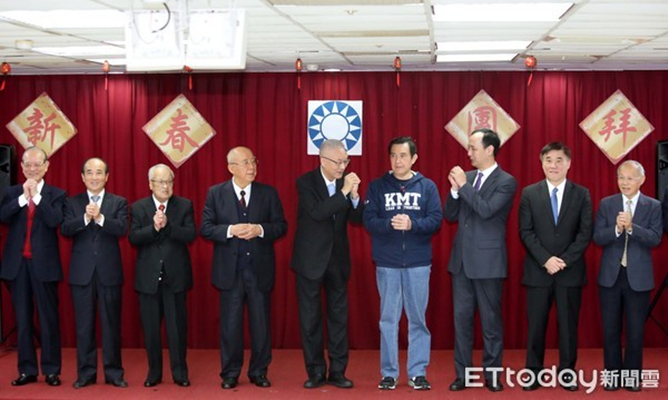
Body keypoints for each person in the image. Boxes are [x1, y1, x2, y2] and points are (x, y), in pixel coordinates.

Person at [201, 146, 287, 390]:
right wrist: (230, 230)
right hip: (229, 272)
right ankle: (230, 373)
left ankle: (259, 371)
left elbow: (281, 226)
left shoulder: (268, 193)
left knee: (261, 325)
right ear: (231, 168)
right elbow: (205, 228)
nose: (252, 167)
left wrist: (260, 229)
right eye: (246, 162)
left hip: (259, 270)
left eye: (253, 161)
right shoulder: (216, 193)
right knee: (230, 326)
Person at [363, 136, 442, 391]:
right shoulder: (377, 186)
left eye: (403, 155)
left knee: (418, 320)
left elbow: (436, 219)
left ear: (414, 158)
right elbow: (368, 220)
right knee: (388, 320)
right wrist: (389, 224)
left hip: (418, 263)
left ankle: (417, 372)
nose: (398, 161)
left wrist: (412, 225)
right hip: (387, 263)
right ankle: (389, 373)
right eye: (394, 155)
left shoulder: (427, 187)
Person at [443, 128, 517, 392]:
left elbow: (486, 211)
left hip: (488, 264)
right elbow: (450, 215)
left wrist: (463, 186)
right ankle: (462, 375)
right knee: (461, 323)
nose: (469, 153)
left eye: (473, 148)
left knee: (490, 324)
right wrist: (455, 192)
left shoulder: (506, 181)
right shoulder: (469, 178)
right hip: (461, 263)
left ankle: (493, 376)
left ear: (490, 150)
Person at [518, 143, 592, 391]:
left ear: (568, 163)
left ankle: (567, 373)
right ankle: (533, 373)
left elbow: (585, 233)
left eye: (559, 160)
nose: (553, 165)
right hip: (538, 271)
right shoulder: (529, 193)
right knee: (536, 327)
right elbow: (525, 231)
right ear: (542, 163)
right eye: (548, 160)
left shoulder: (582, 194)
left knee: (568, 328)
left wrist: (564, 261)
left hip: (570, 272)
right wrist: (546, 259)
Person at [291, 139, 362, 389]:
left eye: (345, 161)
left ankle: (338, 371)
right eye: (338, 162)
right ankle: (315, 372)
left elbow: (357, 219)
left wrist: (354, 197)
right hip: (310, 260)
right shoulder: (305, 182)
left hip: (338, 260)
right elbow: (318, 212)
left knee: (338, 319)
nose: (343, 167)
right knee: (310, 319)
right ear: (323, 160)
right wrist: (343, 193)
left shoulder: (346, 184)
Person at [593, 160, 662, 392]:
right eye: (621, 177)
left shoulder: (653, 206)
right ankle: (612, 377)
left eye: (630, 178)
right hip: (610, 277)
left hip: (638, 278)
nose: (624, 182)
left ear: (642, 180)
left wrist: (632, 228)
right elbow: (598, 237)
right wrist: (616, 229)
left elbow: (655, 238)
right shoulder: (607, 204)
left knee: (635, 332)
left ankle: (632, 378)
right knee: (610, 330)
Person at [0, 146, 65, 387]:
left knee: (48, 319)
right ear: (21, 167)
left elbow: (54, 220)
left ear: (46, 167)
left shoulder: (56, 194)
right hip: (17, 267)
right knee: (23, 320)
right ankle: (27, 370)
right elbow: (3, 216)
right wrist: (22, 198)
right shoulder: (11, 193)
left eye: (37, 164)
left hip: (44, 265)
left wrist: (36, 197)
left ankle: (51, 370)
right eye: (28, 164)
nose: (32, 169)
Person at [61, 158, 128, 389]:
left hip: (109, 272)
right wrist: (84, 218)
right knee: (84, 327)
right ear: (82, 177)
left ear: (106, 177)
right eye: (89, 172)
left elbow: (122, 229)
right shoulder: (72, 202)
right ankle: (86, 373)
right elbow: (65, 229)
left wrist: (100, 218)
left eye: (99, 172)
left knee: (111, 326)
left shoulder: (118, 202)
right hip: (81, 273)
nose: (94, 177)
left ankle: (114, 373)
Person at [129, 164, 196, 388]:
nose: (165, 186)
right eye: (160, 182)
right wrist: (154, 229)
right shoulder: (138, 207)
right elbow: (133, 238)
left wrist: (167, 226)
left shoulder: (184, 205)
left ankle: (180, 373)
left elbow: (190, 235)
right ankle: (154, 373)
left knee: (177, 330)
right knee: (151, 331)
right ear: (151, 184)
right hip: (148, 279)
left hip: (175, 278)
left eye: (169, 181)